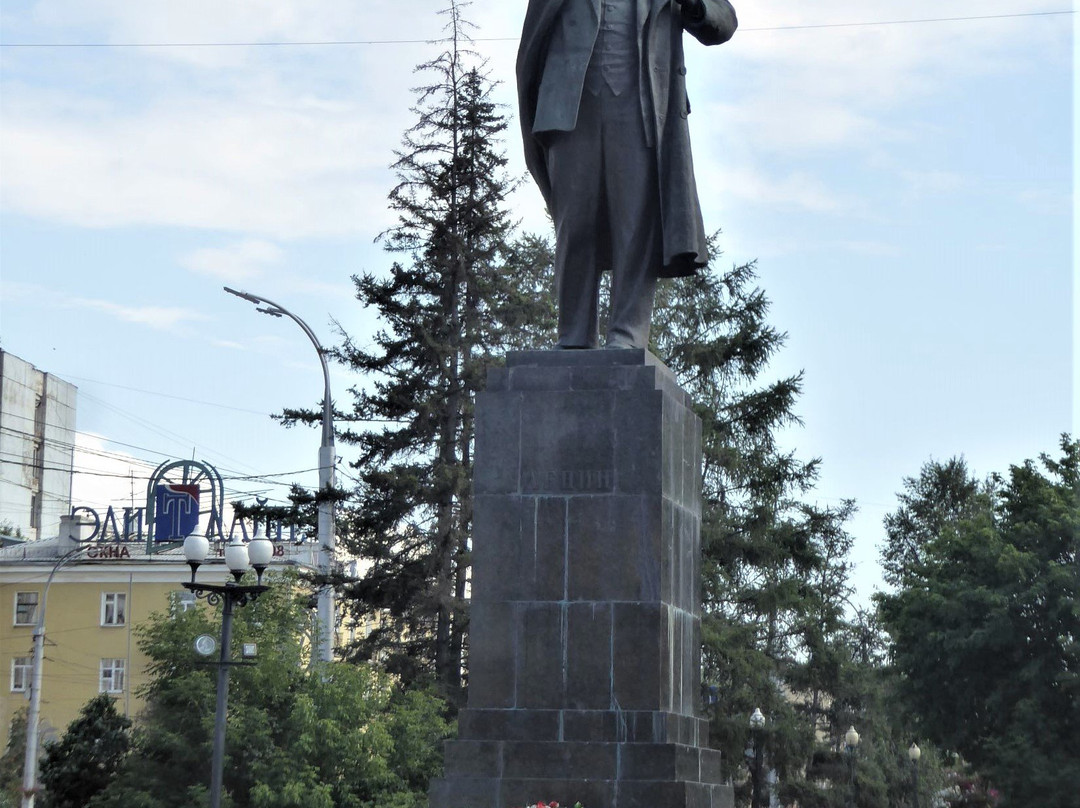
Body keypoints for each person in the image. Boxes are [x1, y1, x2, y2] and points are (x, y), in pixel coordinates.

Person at [517, 0, 737, 349]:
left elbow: (723, 20)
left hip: (641, 106)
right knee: (575, 223)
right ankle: (573, 336)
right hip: (568, 107)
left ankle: (627, 334)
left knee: (634, 223)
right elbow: (531, 49)